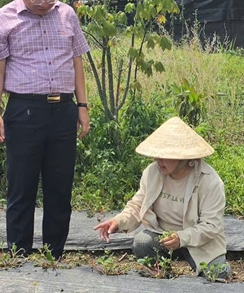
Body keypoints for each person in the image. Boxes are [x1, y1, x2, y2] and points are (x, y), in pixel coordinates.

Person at [0, 0, 91, 258]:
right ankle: (19, 253)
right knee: (22, 186)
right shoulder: (2, 20)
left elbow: (76, 61)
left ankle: (54, 253)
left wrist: (82, 107)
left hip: (63, 111)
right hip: (24, 111)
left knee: (60, 186)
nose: (45, 3)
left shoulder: (67, 15)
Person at [93, 117, 230, 281]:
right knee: (142, 243)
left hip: (198, 239)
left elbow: (211, 226)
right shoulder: (152, 173)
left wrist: (181, 238)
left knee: (218, 273)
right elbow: (137, 206)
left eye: (164, 156)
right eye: (156, 155)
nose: (157, 160)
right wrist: (118, 221)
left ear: (183, 158)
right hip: (162, 235)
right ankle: (163, 275)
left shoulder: (209, 182)